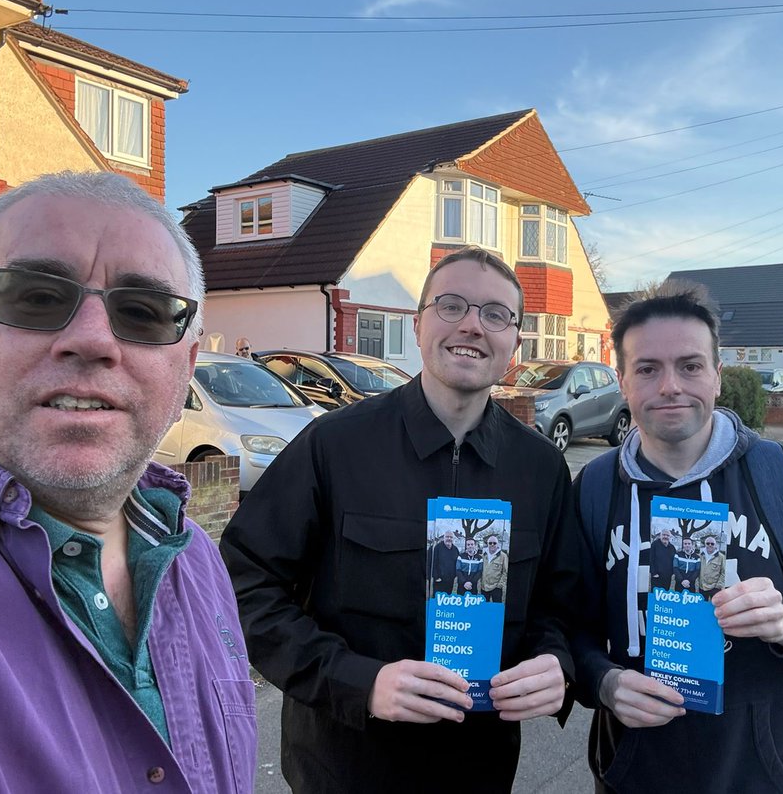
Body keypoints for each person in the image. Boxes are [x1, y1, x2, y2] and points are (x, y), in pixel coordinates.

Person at [0, 171, 255, 792]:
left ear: (186, 366)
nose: (91, 339)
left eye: (144, 311)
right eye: (34, 297)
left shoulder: (193, 559)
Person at [220, 245, 579, 793]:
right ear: (418, 324)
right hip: (342, 768)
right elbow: (242, 585)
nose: (472, 326)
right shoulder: (335, 445)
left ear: (515, 342)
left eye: (495, 314)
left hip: (478, 772)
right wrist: (357, 681)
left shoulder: (542, 469)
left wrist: (557, 663)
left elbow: (561, 602)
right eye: (451, 305)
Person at [571, 288, 783, 793]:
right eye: (647, 368)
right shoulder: (595, 489)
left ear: (717, 374)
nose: (670, 386)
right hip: (634, 775)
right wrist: (604, 682)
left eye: (690, 365)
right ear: (622, 381)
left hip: (762, 775)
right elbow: (568, 633)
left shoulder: (779, 476)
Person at [480, 533, 509, 603]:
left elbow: (505, 572)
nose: (492, 544)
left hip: (496, 588)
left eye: (494, 543)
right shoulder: (483, 555)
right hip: (484, 587)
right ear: (487, 544)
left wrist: (500, 584)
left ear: (497, 544)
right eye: (490, 543)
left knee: (496, 608)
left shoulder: (503, 556)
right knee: (484, 607)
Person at [697, 534, 726, 601]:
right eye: (708, 543)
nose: (710, 545)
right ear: (705, 544)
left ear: (715, 545)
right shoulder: (701, 556)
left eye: (712, 544)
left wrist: (718, 585)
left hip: (714, 588)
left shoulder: (721, 557)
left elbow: (723, 572)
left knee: (714, 608)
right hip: (702, 587)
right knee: (702, 607)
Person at [430, 530, 459, 595]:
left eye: (451, 537)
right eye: (447, 537)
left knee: (447, 599)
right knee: (438, 600)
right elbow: (432, 563)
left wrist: (454, 576)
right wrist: (436, 577)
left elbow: (457, 563)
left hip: (450, 580)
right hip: (439, 580)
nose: (449, 538)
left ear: (453, 538)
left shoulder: (455, 549)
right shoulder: (437, 548)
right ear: (444, 537)